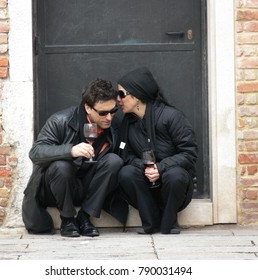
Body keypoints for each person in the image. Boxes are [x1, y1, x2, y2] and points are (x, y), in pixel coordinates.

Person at [22, 79, 124, 237]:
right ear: (88, 108)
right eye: (103, 113)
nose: (109, 117)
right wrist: (70, 150)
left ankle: (84, 217)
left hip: (90, 186)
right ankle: (68, 219)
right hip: (59, 186)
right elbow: (35, 152)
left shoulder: (114, 125)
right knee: (61, 166)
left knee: (114, 161)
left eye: (113, 111)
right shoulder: (61, 120)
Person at [117, 67, 198, 234]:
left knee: (175, 175)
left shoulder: (171, 116)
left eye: (122, 94)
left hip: (173, 185)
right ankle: (151, 221)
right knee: (126, 173)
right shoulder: (128, 123)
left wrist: (160, 168)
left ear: (137, 96)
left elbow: (189, 153)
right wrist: (144, 167)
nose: (118, 99)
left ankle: (169, 223)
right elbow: (126, 155)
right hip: (146, 184)